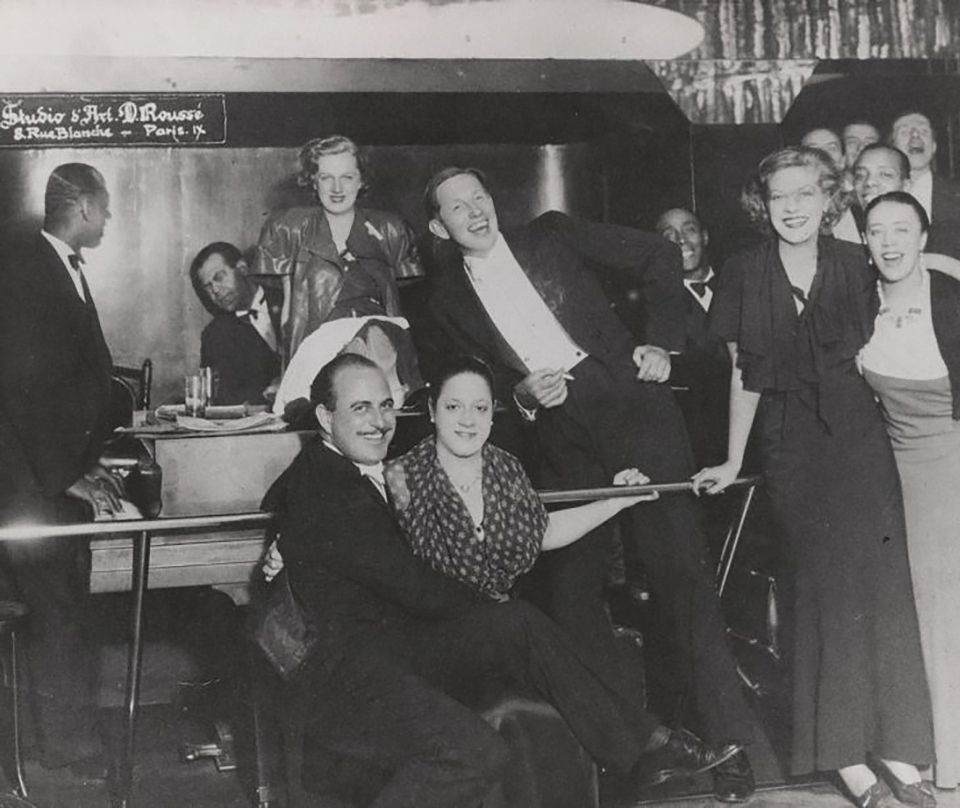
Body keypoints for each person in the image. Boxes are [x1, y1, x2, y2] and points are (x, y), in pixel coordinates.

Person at [260, 353, 737, 806]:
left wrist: (288, 535)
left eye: (386, 405)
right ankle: (645, 746)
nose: (380, 420)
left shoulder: (341, 466)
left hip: (392, 645)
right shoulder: (332, 487)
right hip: (351, 674)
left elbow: (291, 492)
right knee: (477, 748)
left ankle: (647, 746)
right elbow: (417, 589)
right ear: (325, 417)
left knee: (517, 623)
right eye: (360, 407)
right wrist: (290, 536)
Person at [420, 167, 759, 802]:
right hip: (559, 436)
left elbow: (658, 253)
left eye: (481, 198)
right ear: (440, 227)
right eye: (457, 208)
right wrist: (519, 395)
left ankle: (733, 747)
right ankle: (636, 747)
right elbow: (475, 384)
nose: (475, 213)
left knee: (680, 575)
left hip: (630, 409)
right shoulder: (444, 302)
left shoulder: (550, 237)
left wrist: (660, 343)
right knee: (571, 596)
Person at [692, 147, 935, 808]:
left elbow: (929, 270)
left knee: (881, 588)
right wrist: (734, 459)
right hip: (790, 447)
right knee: (819, 592)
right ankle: (842, 759)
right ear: (762, 206)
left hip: (861, 439)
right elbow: (746, 377)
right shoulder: (744, 272)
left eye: (805, 193)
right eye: (778, 198)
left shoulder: (858, 263)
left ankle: (895, 744)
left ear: (830, 199)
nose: (792, 207)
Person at [859, 190, 960, 799]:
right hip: (911, 474)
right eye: (876, 231)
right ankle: (957, 753)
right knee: (938, 617)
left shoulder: (951, 301)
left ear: (924, 238)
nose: (889, 242)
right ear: (863, 243)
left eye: (902, 230)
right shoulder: (855, 304)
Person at [0, 163, 124, 776]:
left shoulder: (58, 264)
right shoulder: (28, 268)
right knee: (58, 616)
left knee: (69, 610)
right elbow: (22, 387)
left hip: (49, 474)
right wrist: (61, 473)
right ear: (80, 206)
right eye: (104, 207)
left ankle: (71, 739)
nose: (108, 217)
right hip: (26, 486)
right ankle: (69, 750)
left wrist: (86, 462)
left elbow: (64, 382)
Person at [386, 354, 657, 600]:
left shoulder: (506, 468)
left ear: (492, 413)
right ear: (433, 411)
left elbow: (544, 531)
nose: (468, 420)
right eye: (454, 407)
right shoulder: (400, 476)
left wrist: (616, 501)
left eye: (480, 408)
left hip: (500, 618)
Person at [253, 134, 423, 403]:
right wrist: (288, 371)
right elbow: (289, 313)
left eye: (347, 177)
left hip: (384, 343)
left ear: (361, 180)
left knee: (376, 333)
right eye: (326, 177)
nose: (337, 188)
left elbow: (400, 304)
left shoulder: (391, 229)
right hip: (321, 346)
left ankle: (390, 390)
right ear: (313, 180)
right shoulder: (289, 228)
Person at [655, 207, 731, 467]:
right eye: (669, 234)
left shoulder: (742, 284)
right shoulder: (653, 308)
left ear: (705, 236)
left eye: (689, 229)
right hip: (700, 451)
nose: (681, 240)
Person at [890, 110, 960, 264]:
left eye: (923, 131)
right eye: (905, 131)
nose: (915, 136)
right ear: (891, 148)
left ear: (933, 147)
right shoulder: (880, 194)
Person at [190, 241, 281, 406]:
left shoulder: (291, 302)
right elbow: (226, 401)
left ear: (242, 268)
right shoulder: (215, 335)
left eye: (219, 277)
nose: (216, 291)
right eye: (208, 287)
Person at [853, 144, 960, 264]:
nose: (869, 182)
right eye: (860, 176)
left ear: (906, 186)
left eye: (885, 174)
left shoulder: (943, 243)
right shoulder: (847, 241)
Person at [801, 127, 862, 243]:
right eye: (813, 148)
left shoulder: (859, 198)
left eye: (832, 147)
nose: (823, 153)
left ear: (843, 160)